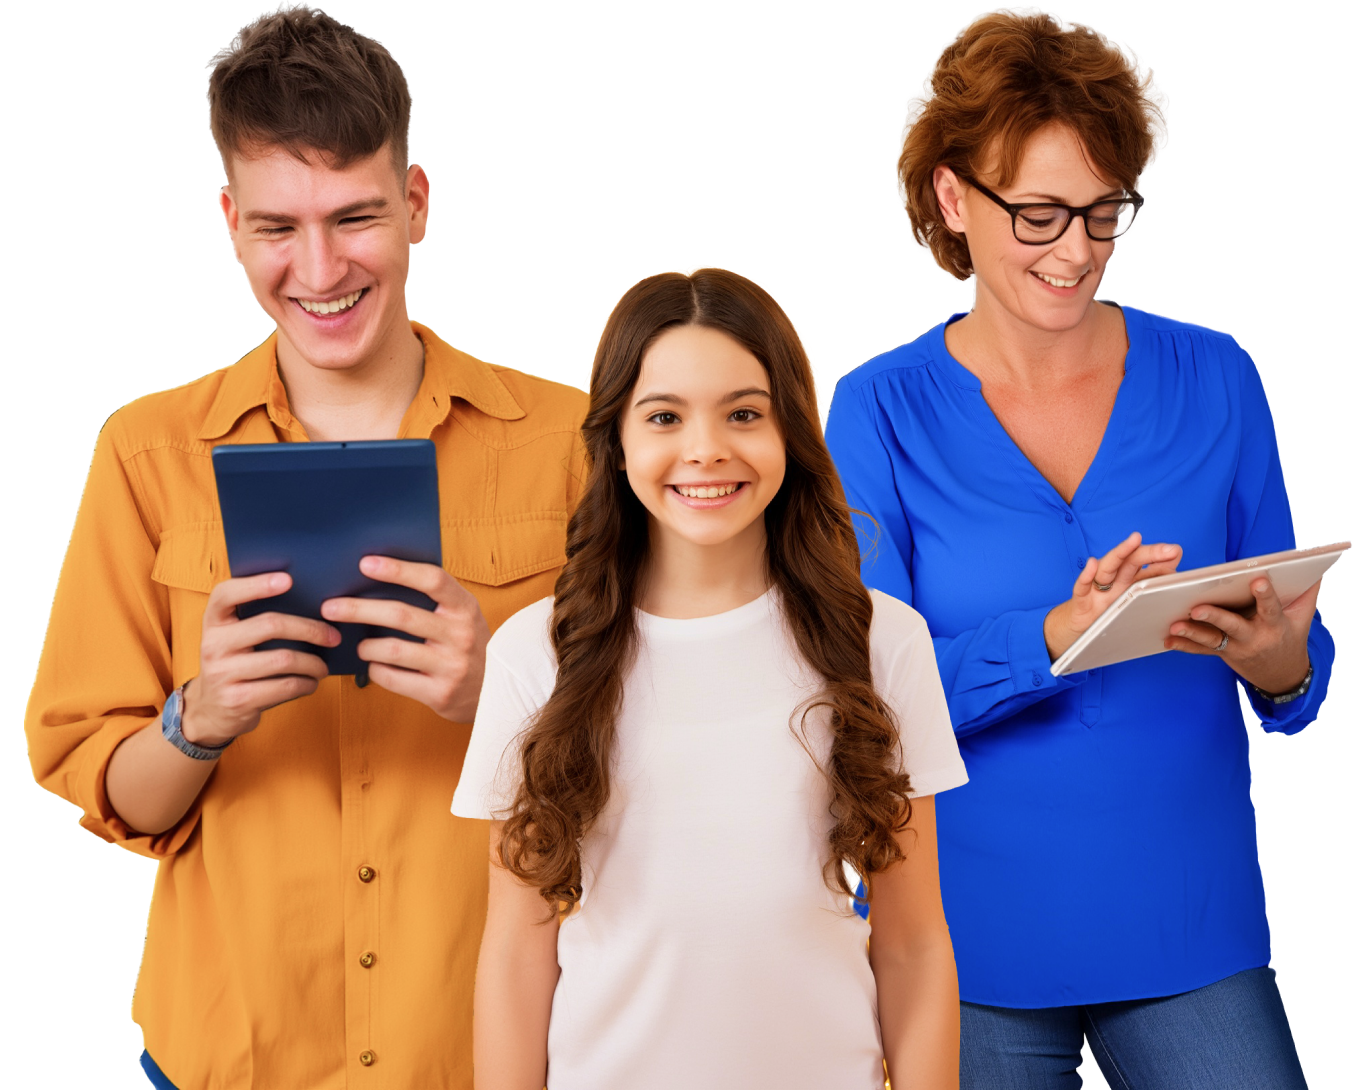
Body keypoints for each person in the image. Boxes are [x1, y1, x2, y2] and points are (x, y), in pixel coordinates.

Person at [23, 7, 587, 1088]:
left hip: (491, 1052)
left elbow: (659, 761)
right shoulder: (145, 451)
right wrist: (200, 718)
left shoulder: (572, 444)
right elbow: (110, 789)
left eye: (355, 216)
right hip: (229, 1054)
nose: (319, 267)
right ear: (230, 221)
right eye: (278, 227)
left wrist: (499, 691)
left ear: (416, 203)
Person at [823, 7, 1333, 1089]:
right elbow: (864, 699)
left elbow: (1295, 658)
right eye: (1040, 214)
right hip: (962, 937)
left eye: (1104, 213)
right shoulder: (875, 409)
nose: (1076, 253)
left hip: (1188, 925)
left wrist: (1277, 663)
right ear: (952, 199)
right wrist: (1055, 634)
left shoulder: (1216, 376)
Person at [451, 264, 969, 1089]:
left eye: (744, 414)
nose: (706, 449)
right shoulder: (534, 655)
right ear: (616, 441)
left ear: (791, 433)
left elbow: (912, 943)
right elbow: (516, 950)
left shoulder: (882, 643)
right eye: (664, 416)